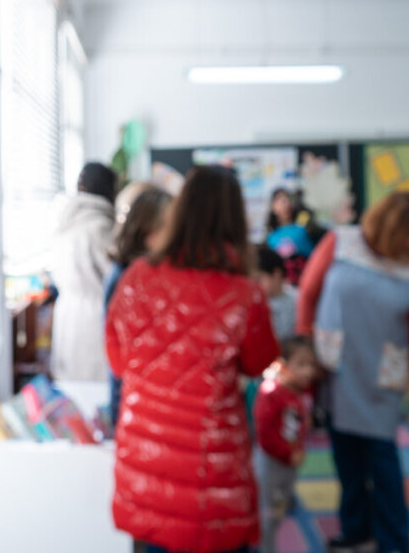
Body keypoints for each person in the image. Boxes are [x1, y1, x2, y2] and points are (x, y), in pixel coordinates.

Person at [106, 165, 280, 553]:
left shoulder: (135, 278)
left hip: (145, 459)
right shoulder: (245, 294)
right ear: (237, 220)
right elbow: (259, 361)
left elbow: (118, 362)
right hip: (210, 470)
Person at [297, 192, 409, 553]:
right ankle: (356, 529)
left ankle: (394, 541)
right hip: (337, 369)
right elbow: (308, 295)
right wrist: (304, 349)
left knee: (384, 464)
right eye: (408, 233)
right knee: (346, 461)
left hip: (381, 377)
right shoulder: (341, 242)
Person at [102, 185, 172, 422]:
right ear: (147, 230)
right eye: (168, 226)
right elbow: (117, 354)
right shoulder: (126, 276)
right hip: (134, 399)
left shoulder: (153, 270)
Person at [51, 162, 117, 382]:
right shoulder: (100, 226)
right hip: (94, 316)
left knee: (72, 391)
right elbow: (114, 276)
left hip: (67, 313)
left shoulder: (64, 223)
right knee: (94, 393)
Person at [253, 336, 317, 553]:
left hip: (290, 462)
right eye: (301, 365)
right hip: (271, 463)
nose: (308, 371)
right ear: (283, 365)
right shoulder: (271, 393)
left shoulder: (303, 391)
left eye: (311, 365)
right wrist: (287, 454)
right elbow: (264, 435)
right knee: (265, 513)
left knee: (279, 509)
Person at [266, 188, 325, 286]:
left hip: (309, 279)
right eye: (279, 199)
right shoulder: (271, 238)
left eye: (287, 198)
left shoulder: (304, 227)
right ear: (273, 207)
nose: (285, 202)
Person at [256, 245, 297, 340]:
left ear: (276, 273)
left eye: (259, 279)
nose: (255, 285)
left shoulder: (298, 301)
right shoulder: (256, 305)